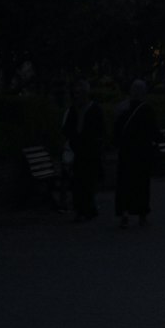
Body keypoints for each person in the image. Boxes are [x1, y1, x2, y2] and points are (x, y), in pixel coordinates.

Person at [113, 80, 158, 228]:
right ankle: (142, 215)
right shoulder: (147, 110)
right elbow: (153, 131)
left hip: (126, 151)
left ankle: (124, 213)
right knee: (142, 184)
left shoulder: (122, 108)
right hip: (142, 152)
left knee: (124, 183)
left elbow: (116, 131)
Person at [63, 79, 105, 222]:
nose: (77, 96)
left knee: (88, 180)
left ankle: (87, 208)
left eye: (79, 93)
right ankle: (82, 208)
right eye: (75, 93)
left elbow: (100, 130)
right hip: (78, 150)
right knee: (79, 181)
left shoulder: (94, 109)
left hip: (90, 150)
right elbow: (67, 130)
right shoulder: (73, 110)